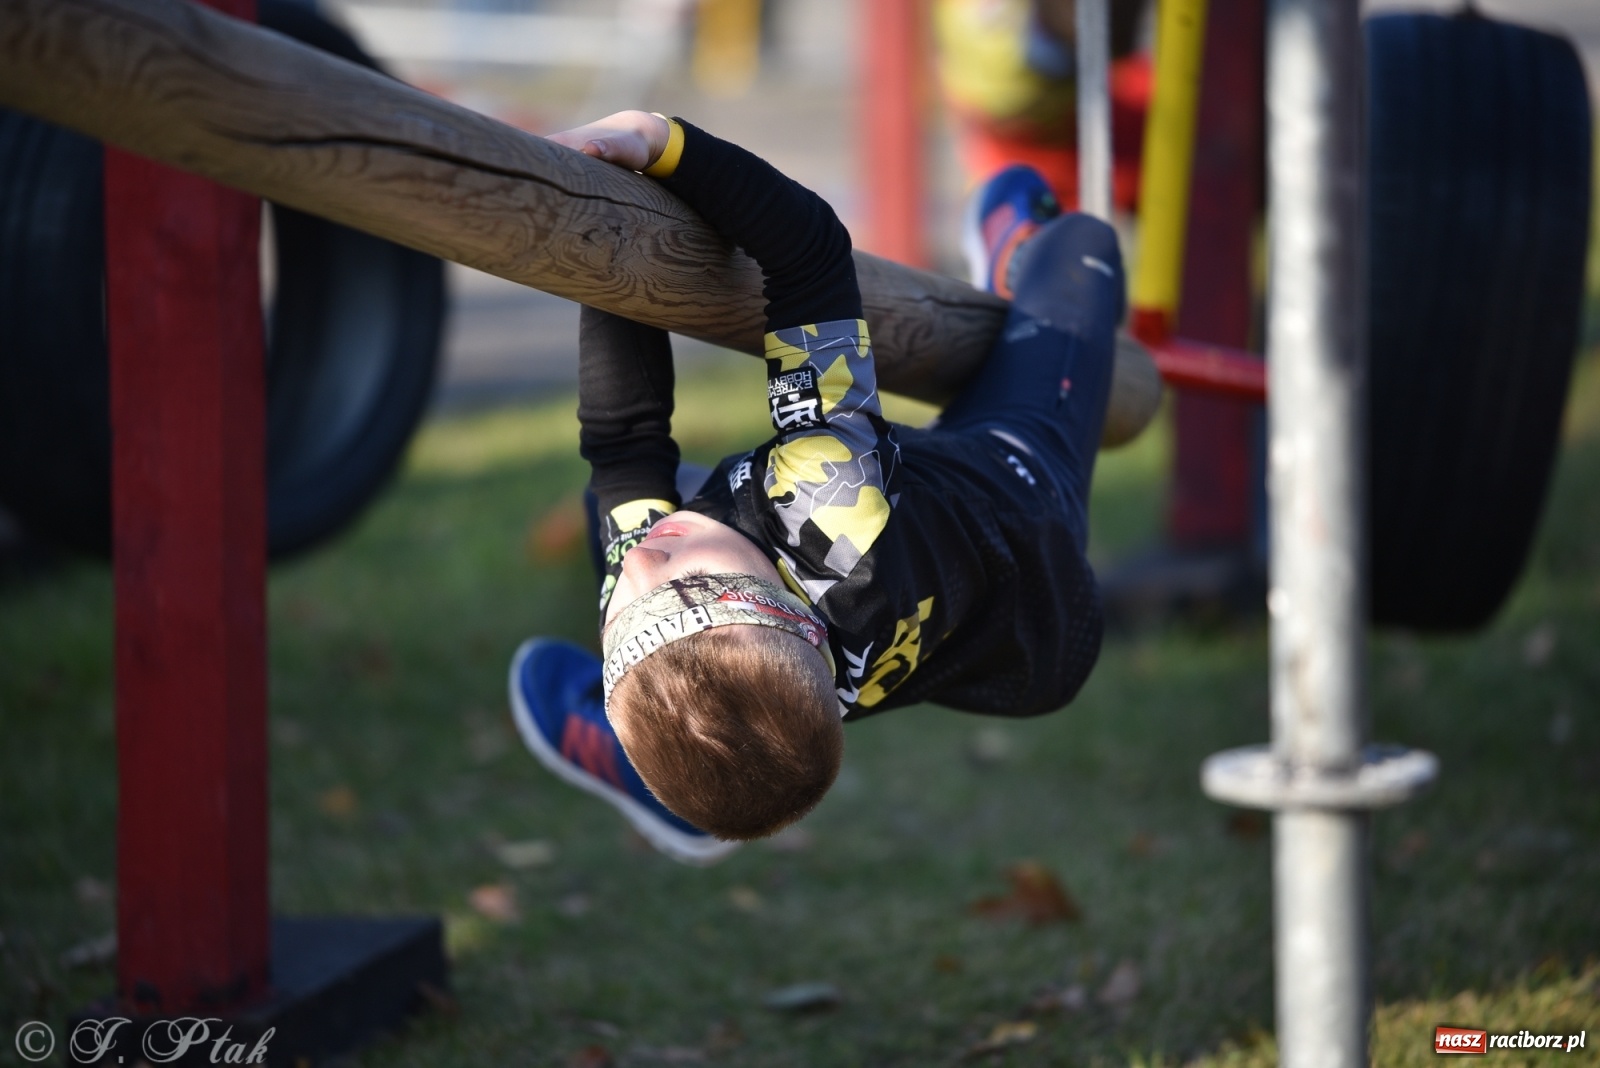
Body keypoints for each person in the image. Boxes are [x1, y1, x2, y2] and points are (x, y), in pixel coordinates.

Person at [509, 111, 1123, 865]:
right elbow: (806, 254)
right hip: (1031, 574)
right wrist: (663, 144)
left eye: (628, 617)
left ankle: (697, 791)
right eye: (689, 583)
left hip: (920, 607)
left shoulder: (664, 578)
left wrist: (609, 233)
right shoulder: (831, 504)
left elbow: (624, 441)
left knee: (623, 516)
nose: (643, 566)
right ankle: (1016, 264)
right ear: (778, 602)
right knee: (1083, 248)